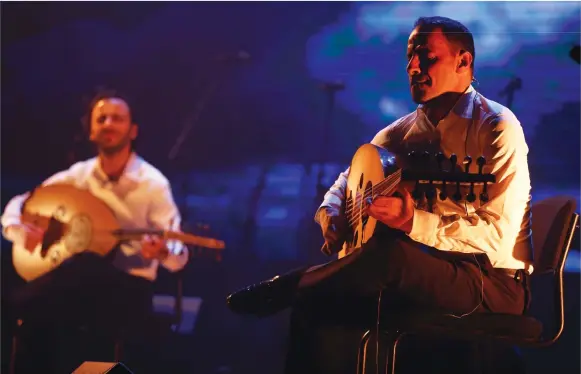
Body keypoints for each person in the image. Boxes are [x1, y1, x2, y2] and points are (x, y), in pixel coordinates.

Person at [228, 16, 533, 373]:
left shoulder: (497, 127)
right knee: (317, 307)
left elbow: (497, 237)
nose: (413, 67)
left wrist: (413, 221)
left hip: (492, 283)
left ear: (463, 61)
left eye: (426, 56)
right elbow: (342, 185)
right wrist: (333, 213)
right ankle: (303, 292)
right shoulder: (400, 133)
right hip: (420, 273)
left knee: (390, 254)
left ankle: (290, 284)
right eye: (410, 57)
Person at [2, 89, 189, 373]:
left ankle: (10, 308)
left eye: (118, 119)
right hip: (73, 289)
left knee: (86, 264)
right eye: (101, 119)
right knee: (39, 317)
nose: (109, 124)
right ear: (91, 131)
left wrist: (163, 252)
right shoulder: (79, 176)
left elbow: (177, 249)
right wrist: (20, 231)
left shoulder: (152, 183)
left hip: (128, 290)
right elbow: (20, 203)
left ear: (133, 129)